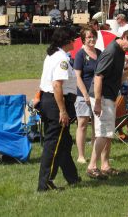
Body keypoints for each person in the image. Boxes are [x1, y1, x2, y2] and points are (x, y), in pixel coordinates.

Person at [87, 28, 128, 179]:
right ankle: (92, 166)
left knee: (109, 133)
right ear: (124, 37)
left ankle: (105, 165)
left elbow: (116, 75)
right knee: (103, 132)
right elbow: (98, 77)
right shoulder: (111, 51)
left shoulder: (120, 51)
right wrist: (98, 102)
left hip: (109, 96)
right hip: (101, 96)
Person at [37, 27, 80, 191]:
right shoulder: (61, 59)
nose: (75, 41)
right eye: (73, 39)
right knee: (54, 144)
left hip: (48, 101)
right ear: (67, 41)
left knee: (64, 142)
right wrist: (62, 110)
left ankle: (72, 177)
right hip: (57, 103)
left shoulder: (52, 55)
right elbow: (57, 85)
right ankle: (45, 182)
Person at [74, 26, 101, 164]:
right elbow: (77, 76)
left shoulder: (100, 53)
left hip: (97, 95)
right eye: (88, 37)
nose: (91, 39)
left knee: (97, 126)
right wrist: (85, 94)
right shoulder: (80, 54)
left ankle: (95, 155)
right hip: (83, 95)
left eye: (93, 36)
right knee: (83, 124)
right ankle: (81, 155)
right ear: (83, 39)